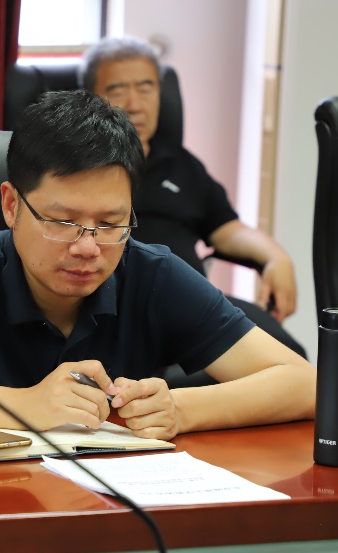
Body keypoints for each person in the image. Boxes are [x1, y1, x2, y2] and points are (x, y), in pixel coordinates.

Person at [0, 90, 315, 439]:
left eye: (111, 223)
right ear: (11, 205)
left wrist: (180, 409)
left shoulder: (151, 273)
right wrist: (27, 405)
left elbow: (304, 383)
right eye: (62, 221)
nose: (88, 247)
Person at [80, 36, 301, 341]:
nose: (135, 104)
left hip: (192, 308)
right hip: (112, 311)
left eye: (145, 88)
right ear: (91, 98)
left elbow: (227, 229)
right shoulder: (76, 169)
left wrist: (277, 257)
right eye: (117, 89)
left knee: (285, 350)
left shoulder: (181, 163)